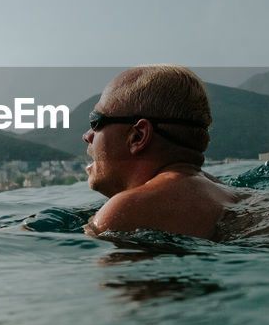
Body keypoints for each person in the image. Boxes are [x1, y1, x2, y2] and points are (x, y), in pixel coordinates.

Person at [83, 65, 239, 241]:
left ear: (137, 137)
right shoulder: (226, 193)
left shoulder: (125, 211)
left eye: (95, 121)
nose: (87, 136)